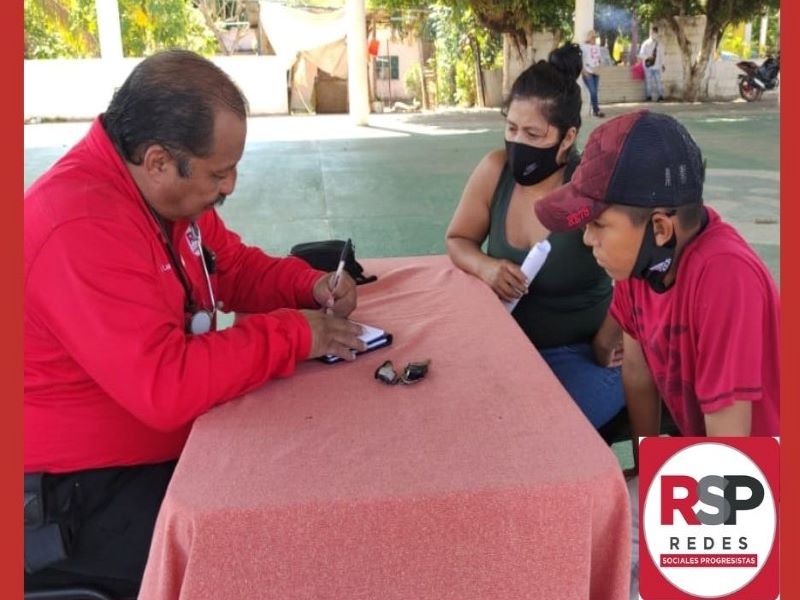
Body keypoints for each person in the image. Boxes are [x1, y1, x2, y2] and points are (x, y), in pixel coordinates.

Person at [24, 50, 367, 597]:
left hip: (149, 455)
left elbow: (229, 265)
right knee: (264, 554)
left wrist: (309, 286)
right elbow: (167, 385)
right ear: (159, 160)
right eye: (219, 172)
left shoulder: (163, 197)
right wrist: (297, 333)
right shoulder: (77, 224)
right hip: (74, 497)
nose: (228, 187)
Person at [534, 110, 780, 599]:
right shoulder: (639, 271)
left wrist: (701, 565)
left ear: (661, 229)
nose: (587, 239)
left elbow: (730, 455)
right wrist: (649, 476)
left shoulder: (724, 278)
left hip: (758, 479)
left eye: (600, 224)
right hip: (702, 459)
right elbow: (639, 374)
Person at [445, 43, 625, 431]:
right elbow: (458, 239)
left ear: (567, 137)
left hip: (577, 354)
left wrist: (607, 340)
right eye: (511, 128)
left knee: (534, 436)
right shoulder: (496, 170)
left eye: (533, 133)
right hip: (502, 348)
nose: (517, 143)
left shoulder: (591, 190)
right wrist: (487, 267)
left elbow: (638, 277)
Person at [580, 30, 605, 117]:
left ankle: (595, 110)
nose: (594, 39)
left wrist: (600, 65)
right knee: (593, 91)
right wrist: (583, 71)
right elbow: (580, 60)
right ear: (589, 38)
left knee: (595, 92)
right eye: (592, 37)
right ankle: (596, 110)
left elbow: (599, 58)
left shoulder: (597, 47)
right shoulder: (583, 47)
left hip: (596, 72)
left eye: (595, 37)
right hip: (588, 72)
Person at [638, 26, 665, 101]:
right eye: (653, 32)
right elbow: (641, 54)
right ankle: (649, 96)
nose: (654, 34)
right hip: (648, 66)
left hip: (657, 66)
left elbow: (662, 55)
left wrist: (662, 64)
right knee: (648, 82)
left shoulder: (659, 44)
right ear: (651, 33)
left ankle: (661, 96)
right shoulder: (645, 43)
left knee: (658, 82)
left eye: (656, 32)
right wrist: (648, 57)